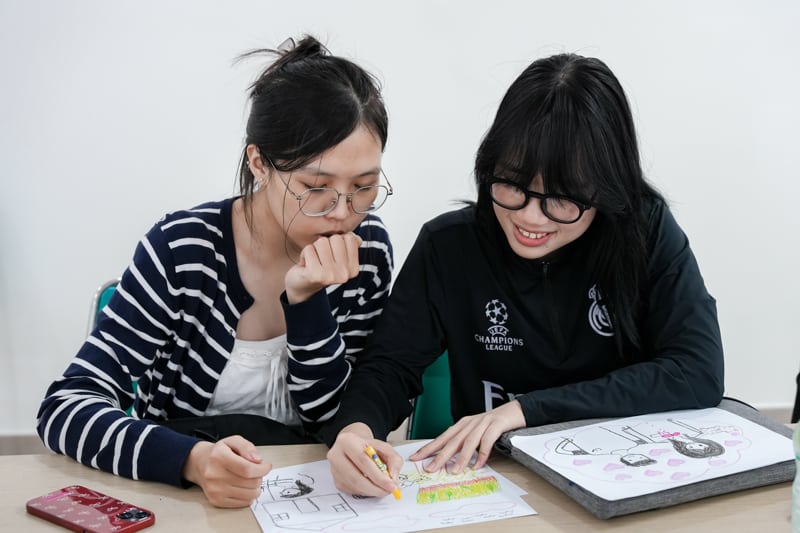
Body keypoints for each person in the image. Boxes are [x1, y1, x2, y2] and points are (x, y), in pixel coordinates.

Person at [319, 52, 724, 498]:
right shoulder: (449, 246)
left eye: (562, 198)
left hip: (627, 477)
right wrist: (355, 431)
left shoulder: (645, 233)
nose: (530, 218)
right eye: (511, 184)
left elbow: (696, 370)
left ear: (607, 189)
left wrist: (523, 411)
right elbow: (389, 367)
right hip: (493, 486)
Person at [36, 35, 394, 508]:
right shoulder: (183, 250)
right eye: (315, 187)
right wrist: (193, 461)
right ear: (259, 163)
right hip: (181, 498)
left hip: (312, 503)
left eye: (364, 187)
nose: (343, 213)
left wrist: (308, 304)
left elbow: (336, 420)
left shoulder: (367, 250)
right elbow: (66, 408)